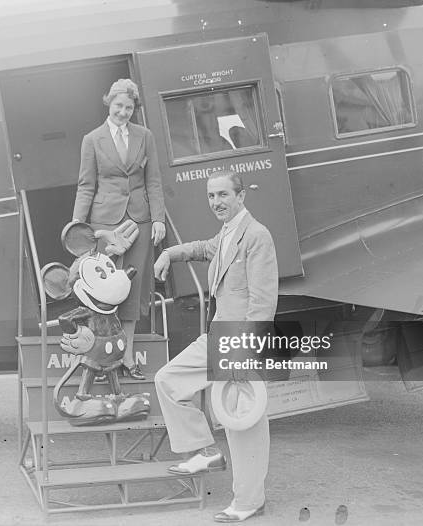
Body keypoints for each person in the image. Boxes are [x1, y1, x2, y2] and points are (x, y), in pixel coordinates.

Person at [153, 169, 278, 523]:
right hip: (218, 336)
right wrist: (170, 254)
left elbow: (264, 300)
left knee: (244, 424)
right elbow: (203, 248)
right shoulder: (227, 233)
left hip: (239, 339)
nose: (216, 202)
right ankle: (204, 449)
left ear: (241, 196)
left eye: (223, 195)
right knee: (168, 379)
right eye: (211, 196)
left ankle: (248, 501)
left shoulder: (256, 235)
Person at [72, 78, 166, 380]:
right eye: (118, 106)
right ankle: (100, 358)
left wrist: (158, 219)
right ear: (108, 104)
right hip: (104, 223)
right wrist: (78, 228)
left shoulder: (145, 136)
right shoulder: (92, 139)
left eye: (128, 107)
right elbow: (86, 185)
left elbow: (153, 181)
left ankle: (125, 356)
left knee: (132, 289)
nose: (123, 112)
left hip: (138, 222)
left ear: (134, 108)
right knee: (103, 292)